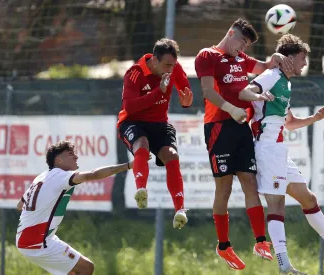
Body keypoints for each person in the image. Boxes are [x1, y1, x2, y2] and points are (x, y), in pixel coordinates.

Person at [239, 34, 324, 274]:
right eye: (301, 59)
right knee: (276, 204)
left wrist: (315, 118)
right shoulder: (272, 76)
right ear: (288, 58)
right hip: (266, 149)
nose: (304, 64)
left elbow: (289, 123)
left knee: (308, 198)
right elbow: (245, 92)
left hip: (278, 150)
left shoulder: (286, 84)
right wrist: (259, 95)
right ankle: (285, 266)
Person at [194, 18, 293, 270]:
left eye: (247, 45)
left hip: (241, 127)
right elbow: (207, 91)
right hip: (218, 126)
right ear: (230, 33)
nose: (243, 49)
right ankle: (224, 246)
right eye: (242, 42)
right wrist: (230, 108)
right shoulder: (207, 55)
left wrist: (274, 56)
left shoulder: (241, 60)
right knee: (224, 189)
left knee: (250, 181)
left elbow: (263, 66)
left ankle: (261, 241)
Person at [16, 140, 132, 275]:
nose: (76, 157)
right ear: (59, 160)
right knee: (86, 268)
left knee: (73, 272)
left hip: (26, 239)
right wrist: (128, 165)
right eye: (71, 154)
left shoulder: (41, 177)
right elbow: (93, 174)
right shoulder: (60, 176)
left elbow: (20, 205)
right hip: (37, 242)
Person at [117, 38, 194, 229]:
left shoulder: (174, 68)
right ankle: (141, 190)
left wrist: (186, 102)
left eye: (173, 65)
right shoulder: (134, 73)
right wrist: (158, 92)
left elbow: (185, 92)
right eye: (166, 65)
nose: (170, 69)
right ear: (154, 60)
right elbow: (130, 107)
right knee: (141, 146)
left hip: (159, 123)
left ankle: (180, 210)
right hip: (132, 121)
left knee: (172, 156)